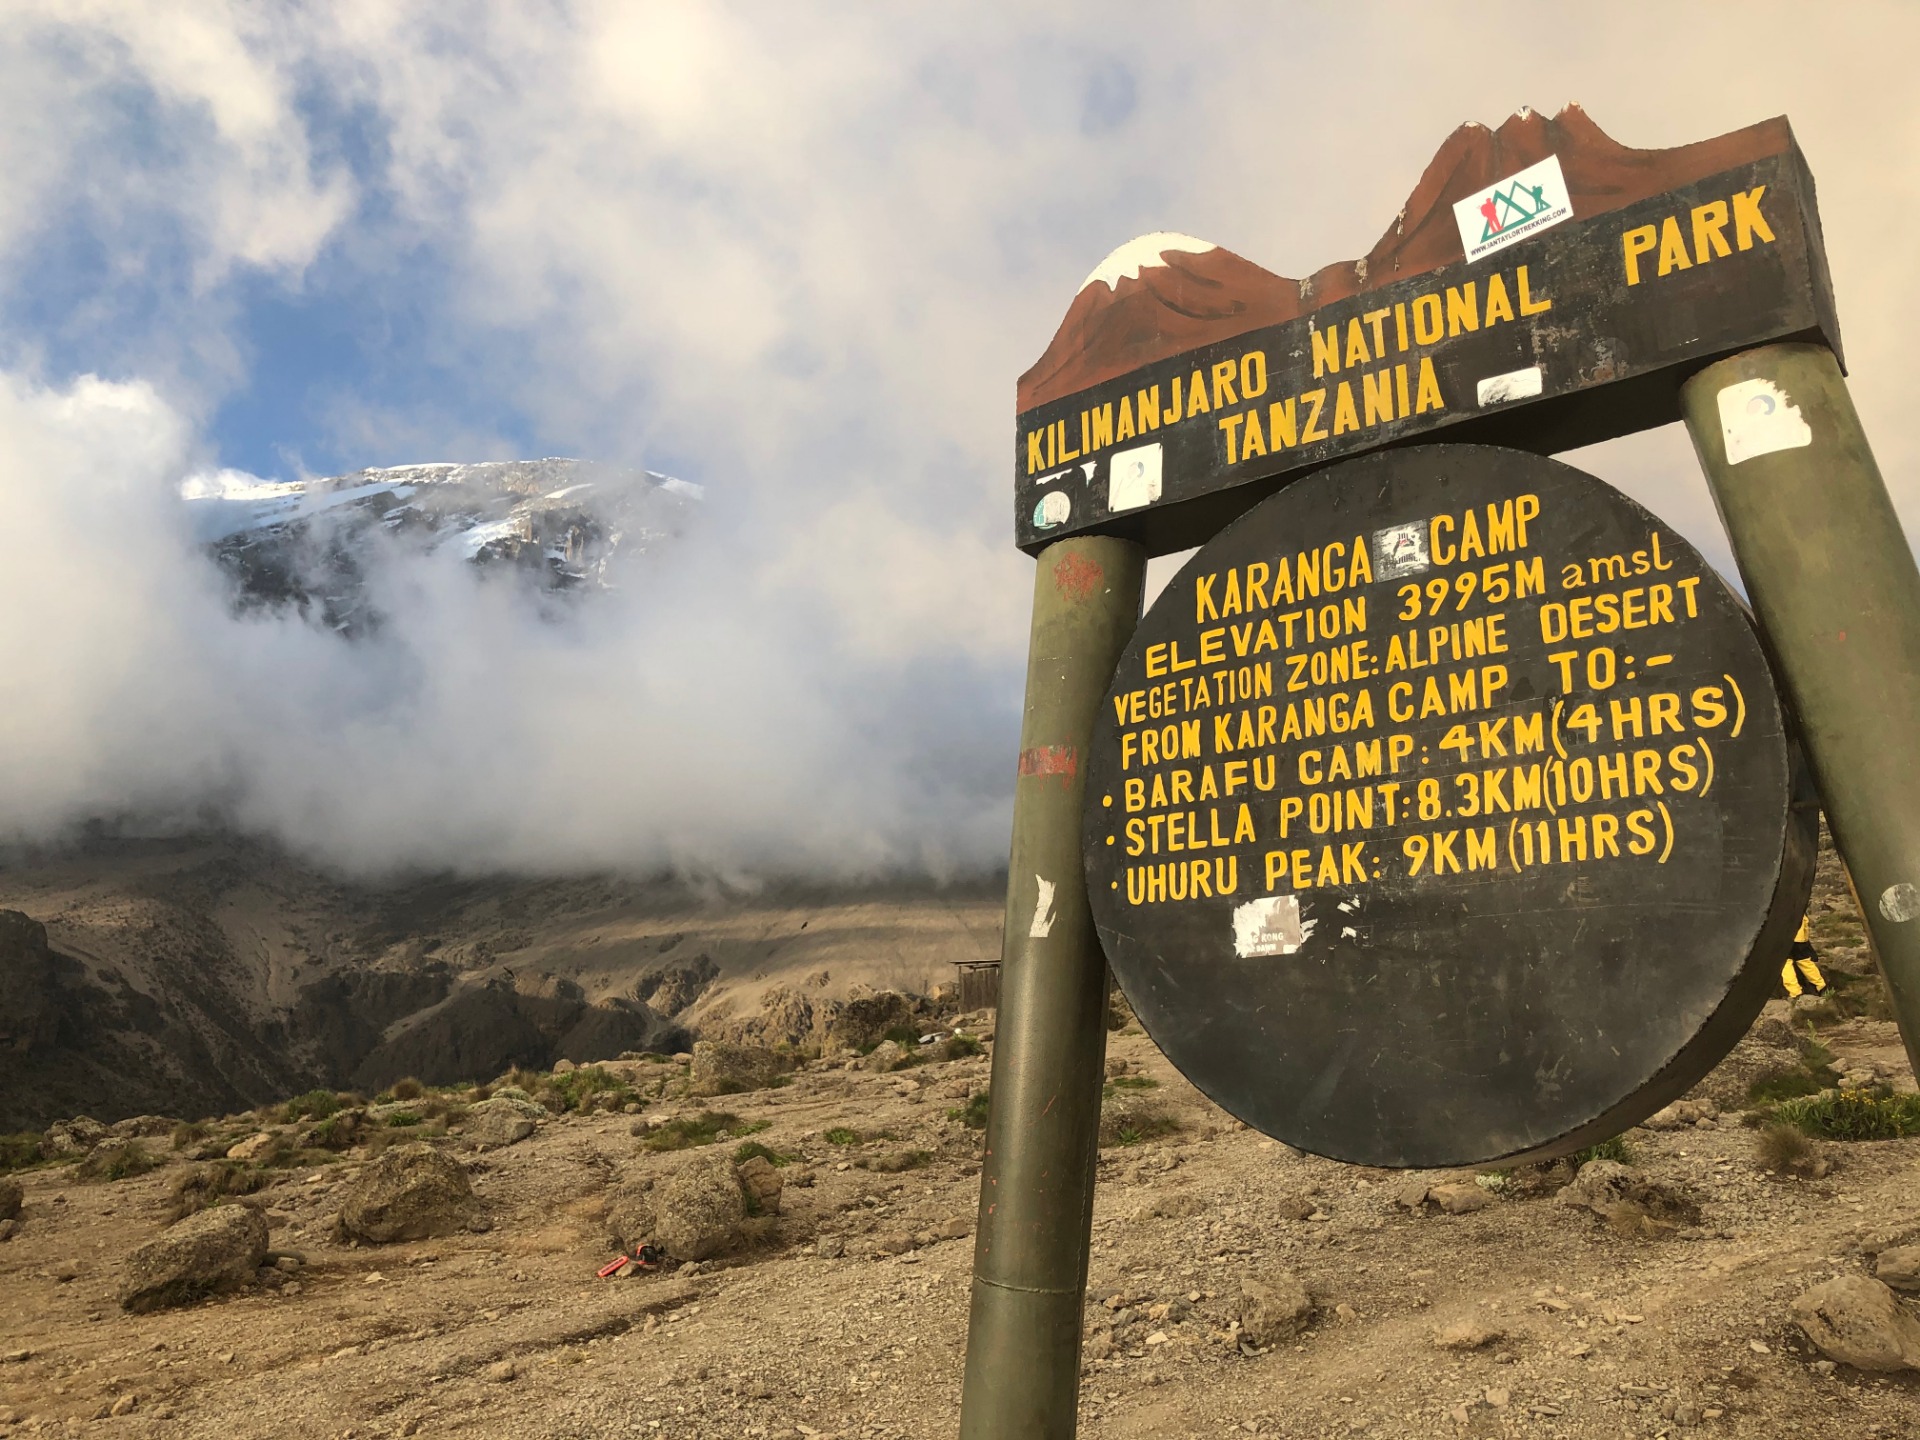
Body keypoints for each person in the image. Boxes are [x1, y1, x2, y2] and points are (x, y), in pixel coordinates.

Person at [1781, 915, 1829, 998]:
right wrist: (1805, 940)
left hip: (1783, 939)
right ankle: (1820, 985)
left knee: (1785, 964)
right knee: (1805, 962)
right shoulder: (1798, 908)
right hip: (1799, 939)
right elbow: (1805, 921)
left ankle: (1795, 992)